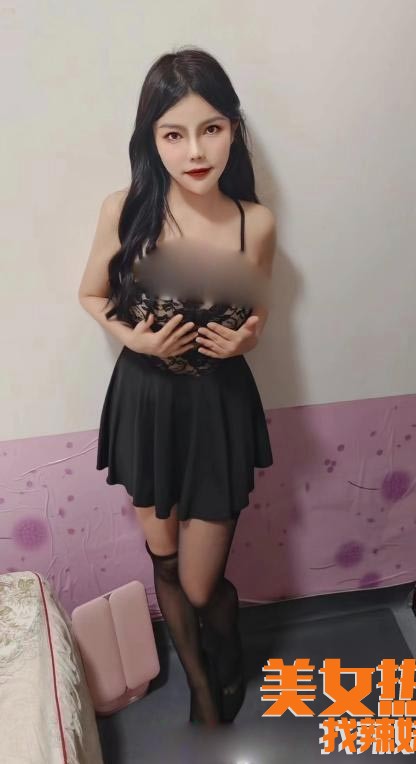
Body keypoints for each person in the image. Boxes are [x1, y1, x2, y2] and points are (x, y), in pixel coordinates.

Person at [78, 46, 276, 728]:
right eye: (173, 133)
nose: (194, 151)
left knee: (198, 581)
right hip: (146, 403)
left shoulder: (253, 221)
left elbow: (257, 310)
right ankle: (203, 694)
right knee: (162, 561)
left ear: (233, 130)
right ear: (151, 138)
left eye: (211, 128)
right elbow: (91, 293)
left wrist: (247, 339)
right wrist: (134, 339)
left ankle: (229, 656)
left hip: (218, 405)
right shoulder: (125, 209)